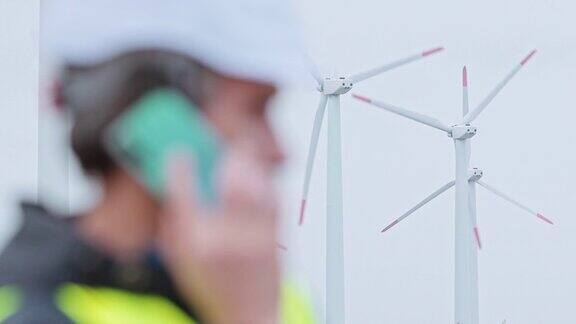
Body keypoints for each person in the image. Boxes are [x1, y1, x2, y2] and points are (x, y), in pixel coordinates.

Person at [0, 1, 313, 323]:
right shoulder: (33, 313)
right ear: (160, 117)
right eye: (254, 110)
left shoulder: (270, 297)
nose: (280, 151)